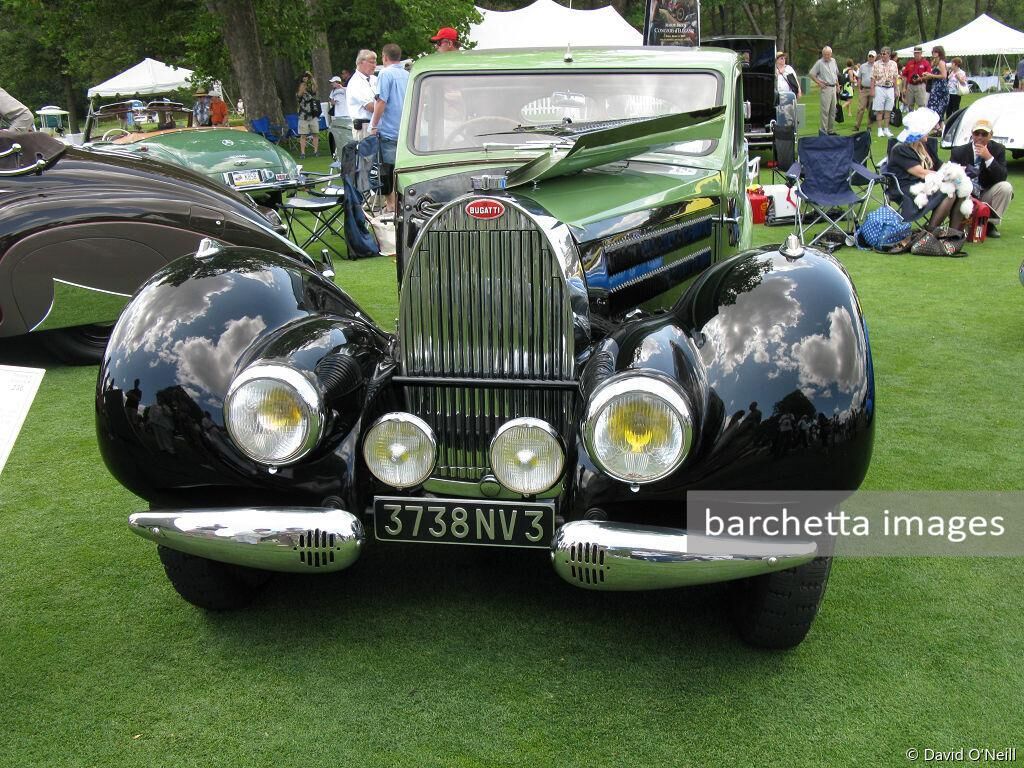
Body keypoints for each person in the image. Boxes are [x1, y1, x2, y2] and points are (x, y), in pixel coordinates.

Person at [888, 108, 966, 232]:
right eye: (928, 129)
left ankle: (953, 233)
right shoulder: (901, 149)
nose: (931, 131)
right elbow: (921, 173)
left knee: (961, 189)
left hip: (927, 184)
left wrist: (955, 170)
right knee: (949, 192)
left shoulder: (924, 146)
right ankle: (930, 232)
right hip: (909, 189)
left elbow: (939, 165)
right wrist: (946, 175)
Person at [949, 118, 1013, 239]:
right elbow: (949, 175)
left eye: (984, 134)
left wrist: (988, 158)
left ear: (991, 135)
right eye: (976, 133)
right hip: (965, 194)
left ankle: (989, 225)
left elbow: (1002, 176)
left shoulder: (998, 149)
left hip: (985, 192)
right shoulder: (959, 151)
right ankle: (964, 222)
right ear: (972, 134)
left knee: (1006, 187)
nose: (979, 137)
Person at [370, 43, 410, 217]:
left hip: (389, 129)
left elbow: (381, 101)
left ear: (384, 57)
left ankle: (391, 204)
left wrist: (374, 125)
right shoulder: (407, 74)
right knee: (403, 170)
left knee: (386, 169)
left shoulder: (385, 74)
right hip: (407, 130)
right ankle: (404, 203)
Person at [347, 49, 377, 141]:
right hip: (364, 128)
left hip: (376, 124)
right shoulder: (355, 83)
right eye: (371, 62)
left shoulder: (374, 79)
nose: (374, 66)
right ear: (360, 63)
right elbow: (371, 107)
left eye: (375, 62)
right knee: (368, 155)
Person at [809, 46, 840, 135]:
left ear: (831, 54)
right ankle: (823, 130)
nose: (826, 56)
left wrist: (837, 85)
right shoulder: (819, 63)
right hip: (826, 88)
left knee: (833, 110)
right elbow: (811, 74)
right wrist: (819, 83)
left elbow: (835, 74)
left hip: (833, 87)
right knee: (825, 110)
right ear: (822, 54)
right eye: (825, 54)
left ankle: (830, 130)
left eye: (828, 54)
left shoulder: (833, 61)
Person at [871, 47, 899, 137]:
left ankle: (886, 128)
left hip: (890, 88)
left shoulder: (894, 64)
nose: (882, 55)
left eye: (884, 54)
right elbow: (872, 78)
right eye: (881, 53)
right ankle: (879, 129)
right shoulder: (876, 64)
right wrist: (872, 90)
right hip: (880, 87)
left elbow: (895, 78)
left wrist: (896, 89)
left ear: (889, 55)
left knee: (888, 109)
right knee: (879, 110)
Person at [296, 70, 320, 159]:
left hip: (313, 115)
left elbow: (315, 87)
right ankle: (303, 153)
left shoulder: (310, 91)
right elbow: (301, 91)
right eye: (304, 77)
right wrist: (303, 82)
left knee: (315, 134)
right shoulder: (299, 92)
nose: (306, 79)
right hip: (303, 116)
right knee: (303, 135)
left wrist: (311, 77)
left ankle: (316, 151)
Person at [924, 46, 949, 130]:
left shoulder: (941, 62)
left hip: (941, 88)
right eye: (933, 52)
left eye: (935, 52)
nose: (933, 53)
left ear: (939, 53)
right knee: (932, 107)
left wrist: (931, 75)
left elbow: (944, 76)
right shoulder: (934, 62)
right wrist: (928, 75)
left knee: (936, 107)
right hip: (935, 87)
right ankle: (939, 128)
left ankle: (938, 127)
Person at [902, 45, 931, 110]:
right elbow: (905, 75)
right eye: (915, 53)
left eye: (918, 53)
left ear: (921, 53)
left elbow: (929, 75)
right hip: (910, 85)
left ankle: (920, 119)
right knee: (909, 104)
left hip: (920, 85)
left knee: (921, 105)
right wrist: (904, 87)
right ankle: (911, 118)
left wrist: (920, 78)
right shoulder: (910, 63)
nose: (916, 54)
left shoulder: (926, 63)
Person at [854, 51, 876, 131]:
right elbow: (859, 78)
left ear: (875, 57)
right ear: (867, 57)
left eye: (872, 56)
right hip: (864, 89)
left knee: (871, 109)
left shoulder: (877, 66)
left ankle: (869, 126)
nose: (871, 58)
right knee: (861, 108)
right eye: (869, 56)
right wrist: (859, 88)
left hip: (873, 89)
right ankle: (857, 126)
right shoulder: (863, 66)